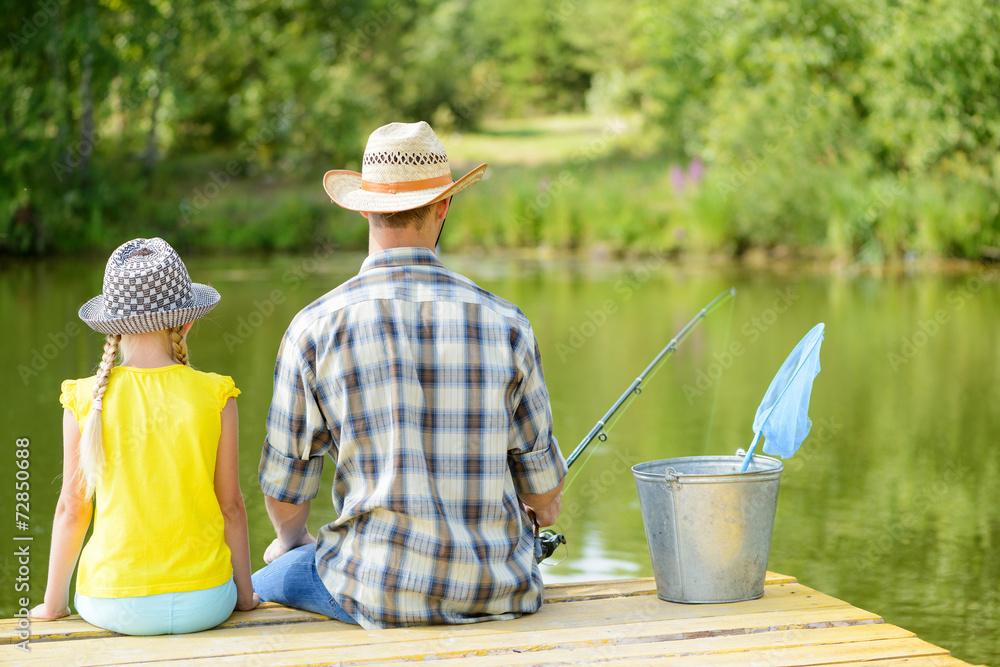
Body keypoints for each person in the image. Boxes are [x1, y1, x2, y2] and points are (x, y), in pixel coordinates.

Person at [253, 121, 568, 629]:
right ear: (443, 205)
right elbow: (543, 498)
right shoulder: (507, 324)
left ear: (363, 206)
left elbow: (285, 488)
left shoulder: (313, 328)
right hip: (498, 590)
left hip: (370, 591)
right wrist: (538, 508)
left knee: (255, 583)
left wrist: (292, 542)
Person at [30, 237, 259, 634]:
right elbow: (232, 507)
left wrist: (53, 605)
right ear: (187, 321)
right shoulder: (216, 394)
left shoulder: (86, 398)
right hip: (205, 602)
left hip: (110, 603)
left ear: (112, 328)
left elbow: (72, 509)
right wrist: (243, 596)